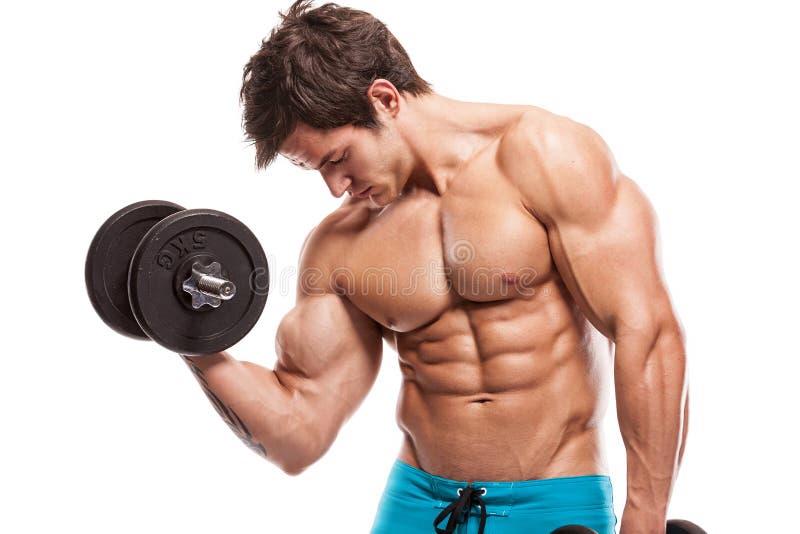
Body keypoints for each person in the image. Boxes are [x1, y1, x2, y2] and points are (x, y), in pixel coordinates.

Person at [183, 1, 689, 532]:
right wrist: (187, 331)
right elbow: (297, 434)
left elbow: (648, 335)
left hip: (553, 506)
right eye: (316, 170)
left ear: (383, 100)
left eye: (336, 159)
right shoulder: (339, 245)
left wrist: (645, 517)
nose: (334, 187)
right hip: (416, 507)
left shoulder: (545, 156)